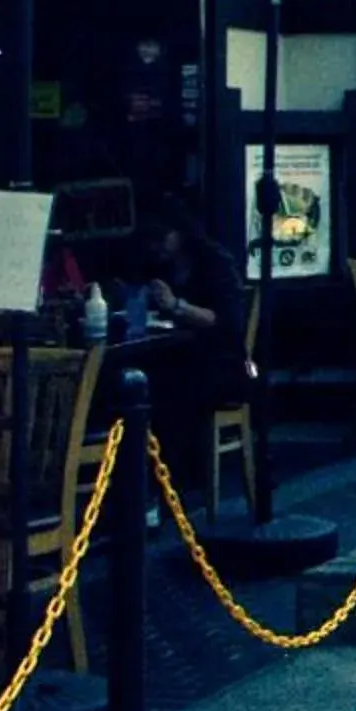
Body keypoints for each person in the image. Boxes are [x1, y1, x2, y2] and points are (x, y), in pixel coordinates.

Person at [140, 195, 251, 496]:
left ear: (180, 233)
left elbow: (227, 321)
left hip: (224, 363)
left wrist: (176, 306)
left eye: (162, 238)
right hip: (182, 355)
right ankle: (153, 482)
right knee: (150, 382)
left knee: (167, 389)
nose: (156, 246)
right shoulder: (160, 266)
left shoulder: (214, 261)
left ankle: (170, 482)